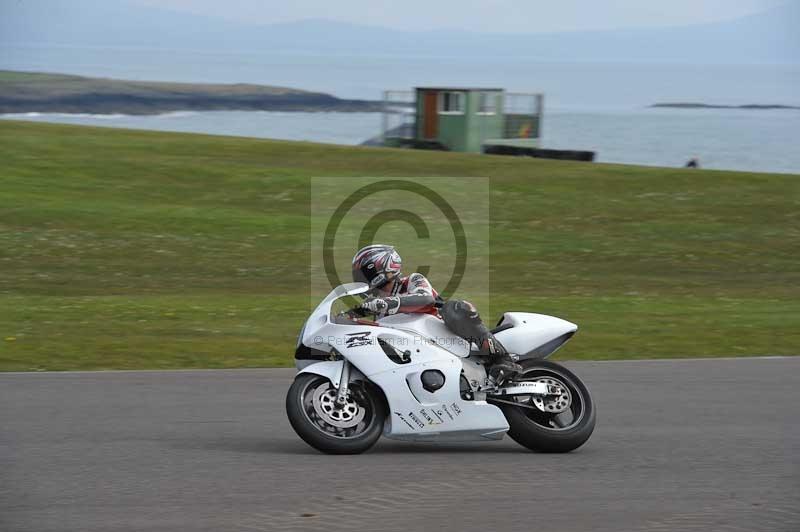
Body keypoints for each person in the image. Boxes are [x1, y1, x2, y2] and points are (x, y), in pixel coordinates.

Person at [351, 244, 522, 383]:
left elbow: (425, 299)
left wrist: (383, 303)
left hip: (449, 338)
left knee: (457, 308)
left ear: (382, 266)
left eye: (364, 273)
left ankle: (502, 359)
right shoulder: (379, 311)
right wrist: (349, 320)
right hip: (418, 355)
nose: (360, 279)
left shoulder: (412, 281)